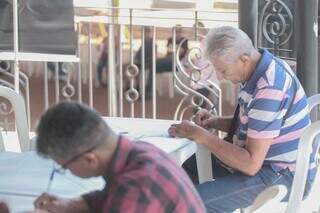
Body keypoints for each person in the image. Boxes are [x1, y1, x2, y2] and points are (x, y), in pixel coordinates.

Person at [169, 26, 314, 212]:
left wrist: (199, 135)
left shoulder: (270, 87)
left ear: (244, 60)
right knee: (182, 172)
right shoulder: (260, 67)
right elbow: (257, 126)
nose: (221, 78)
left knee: (191, 203)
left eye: (223, 70)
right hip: (264, 163)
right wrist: (214, 121)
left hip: (283, 174)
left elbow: (250, 164)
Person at [32, 101, 206, 213]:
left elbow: (125, 198)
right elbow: (113, 195)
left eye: (64, 167)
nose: (65, 171)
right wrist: (70, 205)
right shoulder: (139, 152)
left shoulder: (138, 186)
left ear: (89, 159)